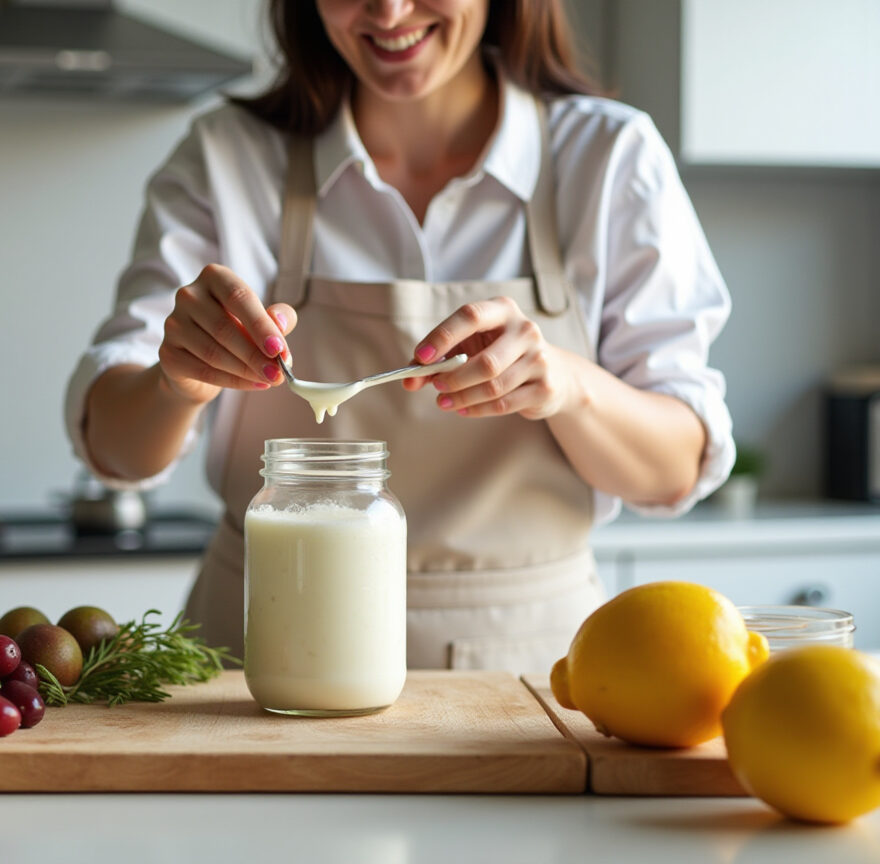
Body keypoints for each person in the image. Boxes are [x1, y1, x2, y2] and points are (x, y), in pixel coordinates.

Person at [63, 0, 733, 675]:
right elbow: (116, 451)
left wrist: (567, 386)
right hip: (260, 659)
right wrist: (176, 382)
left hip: (530, 672)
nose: (388, 10)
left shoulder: (609, 157)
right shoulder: (228, 155)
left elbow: (676, 468)